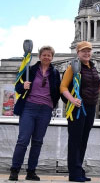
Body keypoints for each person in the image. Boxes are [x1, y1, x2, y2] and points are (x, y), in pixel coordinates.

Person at [9, 46, 61, 181]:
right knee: (23, 140)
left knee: (37, 142)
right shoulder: (29, 70)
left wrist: (52, 105)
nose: (46, 57)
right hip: (29, 108)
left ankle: (31, 171)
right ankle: (15, 170)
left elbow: (58, 91)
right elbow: (17, 87)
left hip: (45, 109)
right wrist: (23, 86)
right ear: (39, 56)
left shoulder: (55, 73)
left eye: (49, 55)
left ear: (52, 57)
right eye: (44, 55)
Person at [60, 41, 100, 182]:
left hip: (90, 107)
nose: (86, 53)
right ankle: (74, 173)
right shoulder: (73, 66)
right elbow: (63, 87)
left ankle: (79, 170)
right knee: (75, 140)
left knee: (83, 140)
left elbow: (94, 90)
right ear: (78, 52)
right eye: (83, 51)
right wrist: (72, 100)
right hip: (77, 109)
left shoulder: (92, 67)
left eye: (89, 51)